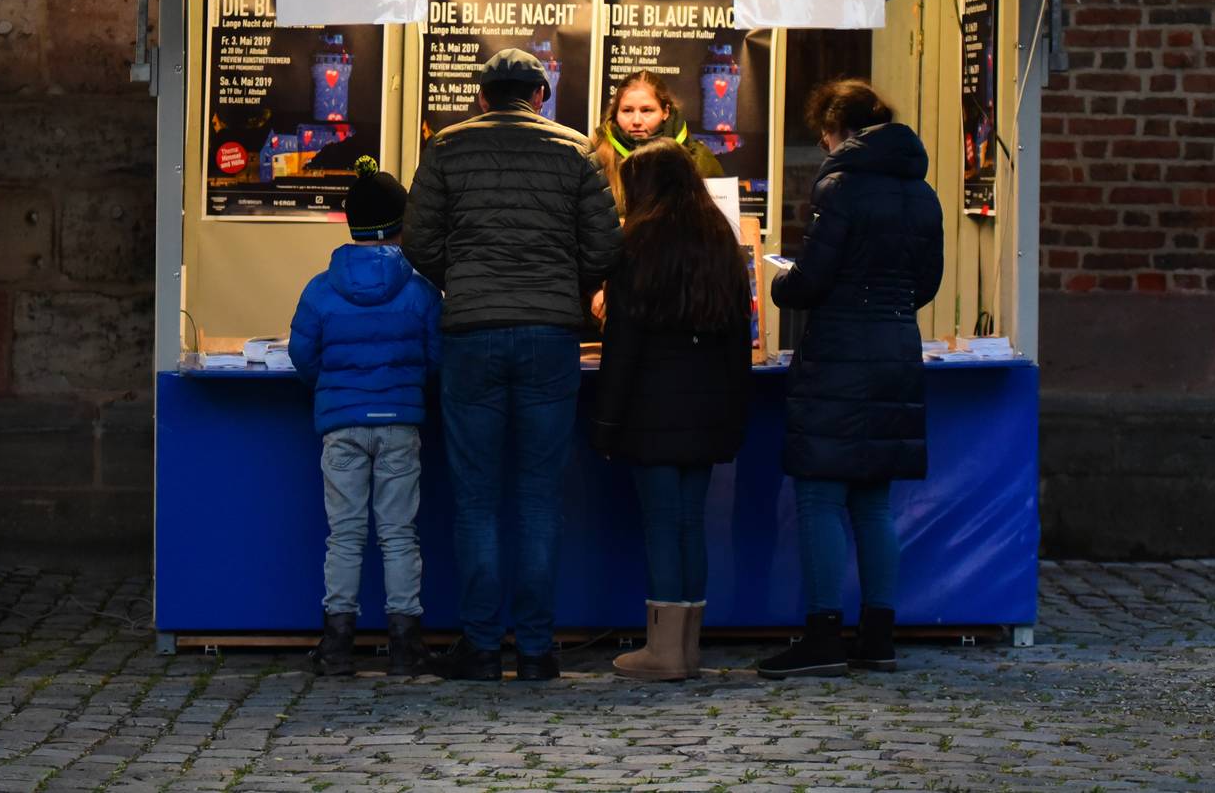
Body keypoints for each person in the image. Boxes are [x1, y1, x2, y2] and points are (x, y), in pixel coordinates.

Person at [403, 48, 623, 681]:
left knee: (475, 499)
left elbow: (418, 242)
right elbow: (605, 246)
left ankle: (479, 646)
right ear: (540, 96)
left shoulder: (446, 147)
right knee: (538, 497)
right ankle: (534, 650)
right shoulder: (576, 150)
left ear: (482, 96)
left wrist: (465, 281)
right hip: (550, 337)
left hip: (471, 334)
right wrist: (564, 288)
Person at [755, 80, 943, 679]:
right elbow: (926, 283)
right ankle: (878, 637)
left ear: (837, 130)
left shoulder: (840, 186)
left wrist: (778, 282)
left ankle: (823, 635)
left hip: (838, 349)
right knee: (873, 500)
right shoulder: (922, 191)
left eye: (823, 135)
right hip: (895, 346)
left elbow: (811, 280)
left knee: (820, 495)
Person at [588, 140, 753, 681]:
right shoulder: (721, 242)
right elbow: (739, 340)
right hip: (707, 407)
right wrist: (734, 414)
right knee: (689, 523)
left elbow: (623, 346)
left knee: (661, 524)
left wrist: (605, 424)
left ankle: (663, 651)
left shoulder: (637, 245)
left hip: (650, 405)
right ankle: (688, 647)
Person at [287, 157, 443, 679]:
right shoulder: (422, 291)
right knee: (398, 534)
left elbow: (303, 356)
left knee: (346, 535)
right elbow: (437, 358)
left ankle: (336, 645)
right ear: (402, 225)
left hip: (342, 425)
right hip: (399, 422)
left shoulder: (320, 289)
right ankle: (405, 645)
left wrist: (334, 390)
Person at [592, 70, 723, 211]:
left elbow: (717, 219)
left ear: (665, 112)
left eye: (647, 110)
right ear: (616, 113)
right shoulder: (597, 156)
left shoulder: (698, 159)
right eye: (627, 110)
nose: (636, 121)